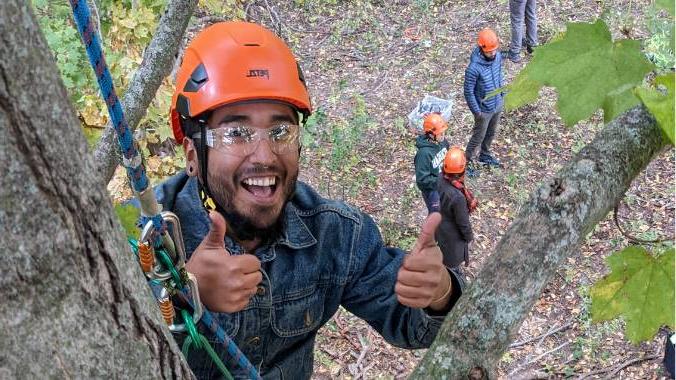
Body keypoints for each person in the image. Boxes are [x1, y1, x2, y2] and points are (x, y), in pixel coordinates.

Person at [158, 21, 463, 379]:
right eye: (236, 133)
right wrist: (180, 296)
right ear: (192, 154)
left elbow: (415, 325)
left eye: (281, 131)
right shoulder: (141, 235)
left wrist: (441, 292)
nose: (264, 155)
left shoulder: (335, 236)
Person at [463, 28, 505, 177]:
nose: (492, 53)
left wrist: (503, 94)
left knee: (491, 133)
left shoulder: (498, 57)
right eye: (489, 51)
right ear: (481, 49)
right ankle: (464, 164)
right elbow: (468, 92)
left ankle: (485, 155)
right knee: (477, 137)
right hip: (483, 110)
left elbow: (500, 75)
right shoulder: (473, 69)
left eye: (494, 50)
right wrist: (477, 112)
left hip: (497, 104)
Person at [436, 147, 477, 278]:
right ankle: (453, 277)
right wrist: (469, 237)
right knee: (452, 262)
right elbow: (463, 223)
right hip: (452, 235)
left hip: (440, 225)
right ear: (462, 170)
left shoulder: (440, 178)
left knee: (443, 252)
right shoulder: (457, 197)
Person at [414, 113, 449, 214]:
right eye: (440, 133)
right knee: (436, 214)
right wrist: (440, 181)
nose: (443, 135)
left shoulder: (442, 142)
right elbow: (422, 180)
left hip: (444, 181)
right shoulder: (423, 154)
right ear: (430, 134)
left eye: (444, 132)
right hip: (432, 190)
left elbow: (447, 154)